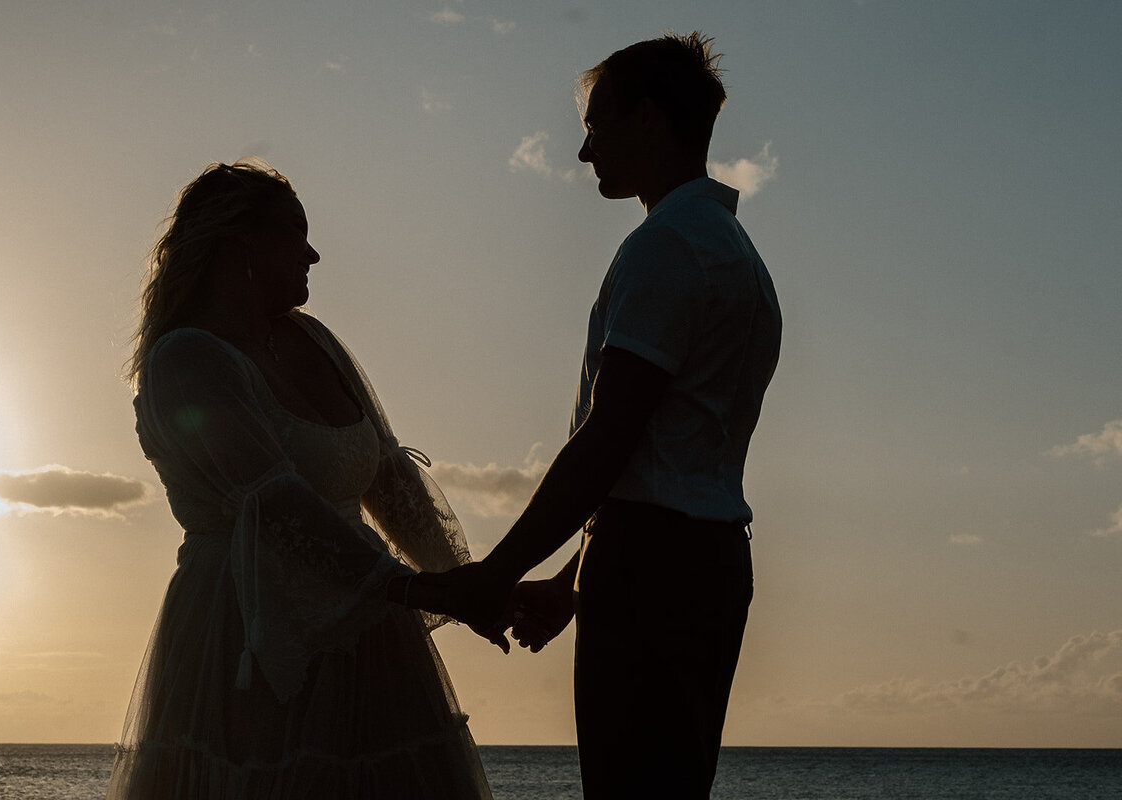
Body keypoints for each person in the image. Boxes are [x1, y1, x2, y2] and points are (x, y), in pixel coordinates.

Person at [403, 32, 782, 799]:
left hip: (649, 567)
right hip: (708, 562)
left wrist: (496, 573)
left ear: (646, 120)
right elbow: (672, 454)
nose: (583, 153)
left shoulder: (665, 248)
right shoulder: (738, 255)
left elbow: (610, 439)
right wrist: (573, 579)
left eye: (596, 126)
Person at [107, 162, 495, 799]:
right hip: (247, 636)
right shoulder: (186, 359)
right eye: (294, 231)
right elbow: (278, 506)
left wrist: (476, 587)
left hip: (369, 629)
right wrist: (418, 590)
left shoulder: (316, 340)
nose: (313, 253)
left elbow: (389, 475)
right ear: (241, 244)